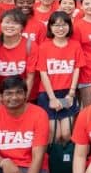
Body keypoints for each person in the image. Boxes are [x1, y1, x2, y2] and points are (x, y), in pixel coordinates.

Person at [36, 11, 83, 143]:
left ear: (69, 26)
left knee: (67, 134)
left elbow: (77, 69)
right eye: (56, 25)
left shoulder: (75, 45)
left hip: (68, 92)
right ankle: (52, 161)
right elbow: (43, 72)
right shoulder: (44, 47)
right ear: (50, 27)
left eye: (64, 25)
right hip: (48, 93)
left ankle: (66, 160)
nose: (60, 28)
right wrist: (52, 98)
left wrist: (71, 94)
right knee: (55, 135)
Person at [0, 10, 37, 101]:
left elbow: (30, 77)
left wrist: (23, 101)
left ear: (22, 27)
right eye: (7, 22)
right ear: (0, 24)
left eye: (15, 23)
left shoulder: (30, 45)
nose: (10, 26)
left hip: (20, 95)